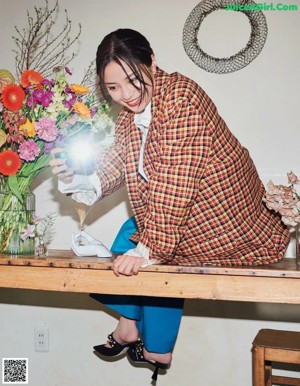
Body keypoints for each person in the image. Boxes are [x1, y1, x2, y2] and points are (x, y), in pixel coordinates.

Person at [49, 28, 290, 380]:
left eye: (133, 81)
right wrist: (75, 175)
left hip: (230, 223)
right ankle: (137, 333)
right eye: (113, 89)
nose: (126, 95)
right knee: (129, 240)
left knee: (140, 249)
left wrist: (150, 247)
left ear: (153, 62)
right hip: (193, 217)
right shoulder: (131, 117)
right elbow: (117, 163)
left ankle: (146, 340)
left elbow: (173, 183)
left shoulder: (182, 100)